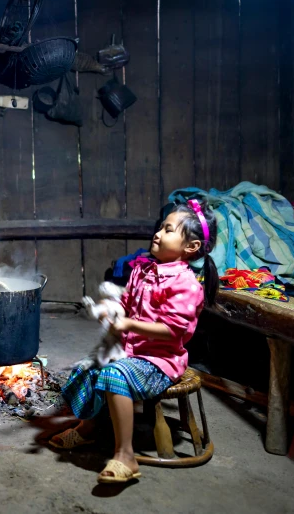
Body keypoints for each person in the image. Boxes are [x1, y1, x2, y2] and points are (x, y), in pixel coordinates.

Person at [51, 200, 218, 484]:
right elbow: (126, 302)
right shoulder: (143, 270)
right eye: (160, 227)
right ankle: (88, 428)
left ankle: (125, 455)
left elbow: (172, 329)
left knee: (114, 373)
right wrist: (109, 308)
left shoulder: (186, 284)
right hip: (131, 351)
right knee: (91, 367)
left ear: (191, 247)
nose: (158, 233)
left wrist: (129, 324)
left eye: (168, 230)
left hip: (159, 361)